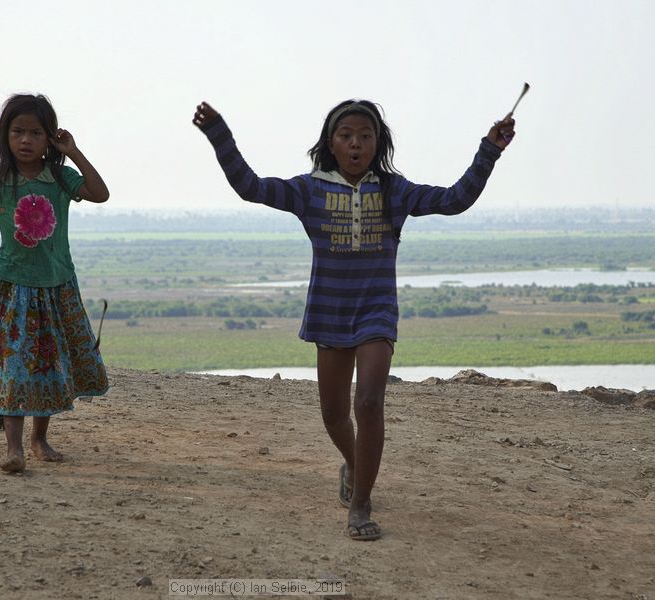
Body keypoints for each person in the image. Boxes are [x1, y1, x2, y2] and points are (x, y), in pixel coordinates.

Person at [193, 99, 515, 540]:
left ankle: (361, 503)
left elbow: (455, 199)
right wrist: (218, 133)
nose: (356, 143)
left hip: (376, 311)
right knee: (333, 414)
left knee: (368, 402)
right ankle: (355, 463)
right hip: (330, 309)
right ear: (332, 142)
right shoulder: (309, 190)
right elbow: (250, 186)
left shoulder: (394, 190)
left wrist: (489, 150)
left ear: (377, 142)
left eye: (365, 136)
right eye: (346, 136)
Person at [0, 93, 110, 473]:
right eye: (17, 132)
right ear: (5, 136)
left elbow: (100, 193)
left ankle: (39, 438)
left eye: (35, 133)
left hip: (56, 286)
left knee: (49, 364)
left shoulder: (60, 178)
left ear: (50, 138)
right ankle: (14, 449)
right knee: (13, 366)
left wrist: (73, 153)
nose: (25, 140)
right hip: (11, 286)